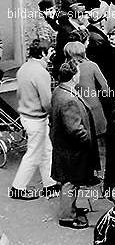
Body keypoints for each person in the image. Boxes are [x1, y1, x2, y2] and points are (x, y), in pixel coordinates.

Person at [50, 61, 100, 229]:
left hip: (65, 148)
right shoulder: (69, 99)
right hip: (72, 151)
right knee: (70, 183)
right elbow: (75, 130)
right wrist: (87, 140)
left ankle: (72, 209)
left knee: (71, 182)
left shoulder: (59, 91)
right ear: (73, 77)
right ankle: (67, 217)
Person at [10, 39, 59, 200]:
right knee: (34, 155)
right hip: (37, 119)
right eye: (50, 50)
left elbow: (19, 94)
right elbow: (46, 101)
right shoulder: (41, 73)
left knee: (46, 151)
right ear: (43, 53)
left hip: (26, 116)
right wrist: (54, 116)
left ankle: (49, 185)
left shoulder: (23, 68)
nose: (52, 53)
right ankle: (18, 188)